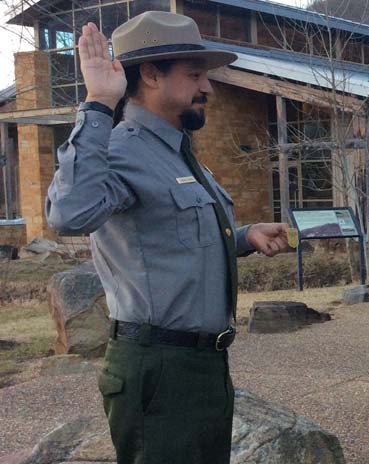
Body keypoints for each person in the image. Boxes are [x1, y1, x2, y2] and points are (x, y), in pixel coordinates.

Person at [45, 12, 290, 463]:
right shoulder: (119, 149)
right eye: (195, 75)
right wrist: (99, 102)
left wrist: (243, 236)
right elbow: (70, 214)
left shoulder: (175, 153)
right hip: (157, 369)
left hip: (203, 367)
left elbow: (172, 241)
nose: (208, 88)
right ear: (152, 74)